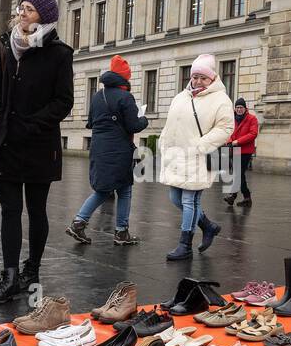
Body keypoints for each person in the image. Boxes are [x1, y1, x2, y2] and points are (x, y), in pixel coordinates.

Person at [0, 0, 74, 305]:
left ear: (44, 16)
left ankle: (31, 271)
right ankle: (8, 277)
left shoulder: (60, 53)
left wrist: (31, 125)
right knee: (9, 210)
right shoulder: (7, 48)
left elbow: (64, 101)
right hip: (5, 143)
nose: (23, 13)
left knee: (36, 210)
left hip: (38, 144)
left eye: (30, 9)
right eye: (22, 8)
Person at [66, 54, 147, 245]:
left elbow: (91, 123)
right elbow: (134, 125)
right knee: (123, 190)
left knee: (103, 188)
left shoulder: (97, 96)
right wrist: (144, 119)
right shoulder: (125, 97)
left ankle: (81, 223)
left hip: (98, 147)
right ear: (124, 78)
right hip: (119, 150)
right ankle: (118, 231)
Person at [158, 54, 232, 260]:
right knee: (175, 198)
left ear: (212, 79)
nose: (198, 81)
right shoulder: (181, 97)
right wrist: (164, 143)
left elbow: (226, 127)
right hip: (176, 157)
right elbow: (170, 124)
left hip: (198, 157)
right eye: (195, 76)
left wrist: (201, 145)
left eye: (203, 77)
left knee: (190, 200)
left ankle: (185, 245)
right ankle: (208, 226)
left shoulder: (221, 99)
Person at [224, 97, 259, 206]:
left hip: (245, 151)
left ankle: (233, 196)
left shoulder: (252, 118)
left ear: (245, 108)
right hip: (234, 150)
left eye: (241, 107)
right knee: (238, 174)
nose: (239, 109)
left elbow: (253, 134)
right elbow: (228, 131)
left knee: (238, 173)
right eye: (237, 107)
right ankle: (245, 198)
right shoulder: (232, 118)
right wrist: (229, 141)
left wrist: (237, 142)